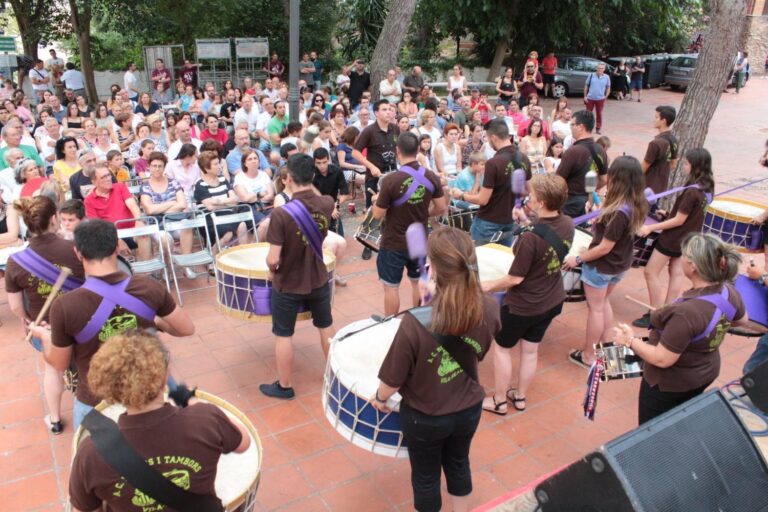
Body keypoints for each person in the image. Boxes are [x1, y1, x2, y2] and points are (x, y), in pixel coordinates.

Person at [372, 227, 501, 512]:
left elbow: (391, 381)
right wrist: (433, 302)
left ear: (433, 269)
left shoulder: (415, 322)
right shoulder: (490, 306)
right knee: (458, 465)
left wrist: (379, 399)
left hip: (426, 416)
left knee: (426, 477)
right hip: (469, 408)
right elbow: (476, 350)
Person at [29, 219, 194, 429]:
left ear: (78, 253)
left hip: (96, 404)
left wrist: (43, 336)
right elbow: (186, 328)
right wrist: (156, 321)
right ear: (117, 247)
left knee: (92, 459)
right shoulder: (149, 287)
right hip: (147, 398)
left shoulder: (64, 306)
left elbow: (59, 364)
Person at [67, 330, 250, 511]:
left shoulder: (90, 454)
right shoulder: (206, 418)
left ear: (110, 390)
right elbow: (243, 442)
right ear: (164, 376)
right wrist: (190, 400)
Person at [614, 233, 747, 424]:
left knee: (652, 429)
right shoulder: (727, 290)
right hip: (705, 371)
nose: (682, 258)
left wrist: (629, 340)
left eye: (685, 255)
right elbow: (742, 320)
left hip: (672, 383)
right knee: (679, 419)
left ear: (693, 266)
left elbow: (662, 359)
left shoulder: (687, 313)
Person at [481, 174, 573, 414]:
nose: (528, 199)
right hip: (551, 299)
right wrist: (526, 222)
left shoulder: (529, 238)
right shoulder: (567, 223)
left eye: (532, 196)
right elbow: (545, 240)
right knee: (530, 350)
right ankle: (520, 397)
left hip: (523, 305)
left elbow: (515, 278)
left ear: (541, 202)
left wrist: (488, 285)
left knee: (502, 348)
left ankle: (500, 400)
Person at [5, 196, 86, 434]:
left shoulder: (16, 261)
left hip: (46, 329)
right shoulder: (76, 249)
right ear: (54, 219)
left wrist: (28, 320)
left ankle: (55, 419)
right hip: (82, 322)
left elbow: (16, 306)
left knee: (53, 371)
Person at [260, 154, 335, 399]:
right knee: (326, 328)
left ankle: (285, 386)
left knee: (284, 334)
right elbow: (313, 195)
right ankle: (336, 377)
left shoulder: (281, 214)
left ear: (288, 179)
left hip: (289, 283)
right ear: (313, 177)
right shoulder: (326, 203)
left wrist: (271, 271)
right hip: (318, 278)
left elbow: (273, 259)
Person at [562, 156, 648, 368]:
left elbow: (604, 247)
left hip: (603, 265)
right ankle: (604, 347)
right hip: (620, 263)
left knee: (596, 308)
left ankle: (588, 355)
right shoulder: (635, 203)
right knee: (603, 304)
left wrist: (578, 258)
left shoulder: (619, 212)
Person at [633, 148, 715, 328]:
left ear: (695, 166)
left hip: (672, 239)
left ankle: (655, 312)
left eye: (686, 163)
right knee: (675, 273)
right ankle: (668, 312)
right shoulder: (707, 188)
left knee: (650, 272)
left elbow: (680, 220)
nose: (684, 166)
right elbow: (690, 215)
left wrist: (650, 227)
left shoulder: (692, 191)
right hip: (688, 239)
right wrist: (668, 214)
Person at [372, 132, 446, 316]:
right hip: (419, 240)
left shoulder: (390, 180)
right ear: (418, 149)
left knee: (391, 287)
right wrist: (423, 213)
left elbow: (377, 214)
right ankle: (418, 321)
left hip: (393, 243)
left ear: (398, 151)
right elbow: (441, 207)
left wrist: (376, 200)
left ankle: (389, 325)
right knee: (418, 282)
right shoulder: (430, 176)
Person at [456, 119, 531, 247]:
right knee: (502, 259)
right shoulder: (523, 158)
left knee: (480, 260)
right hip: (509, 219)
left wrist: (461, 195)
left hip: (488, 221)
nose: (488, 142)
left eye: (488, 138)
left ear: (494, 137)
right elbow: (527, 190)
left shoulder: (493, 163)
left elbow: (483, 200)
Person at [351, 100, 400, 260]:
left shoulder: (395, 128)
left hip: (392, 175)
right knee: (372, 209)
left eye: (390, 109)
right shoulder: (369, 131)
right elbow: (355, 152)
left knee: (392, 209)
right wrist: (370, 166)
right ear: (376, 113)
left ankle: (388, 242)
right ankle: (367, 244)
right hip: (374, 177)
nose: (389, 112)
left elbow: (398, 150)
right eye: (384, 109)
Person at [84, 162, 151, 261]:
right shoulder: (89, 200)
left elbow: (133, 205)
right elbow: (97, 227)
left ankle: (146, 271)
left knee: (143, 234)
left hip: (131, 229)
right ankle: (122, 272)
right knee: (103, 243)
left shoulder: (120, 187)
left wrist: (138, 220)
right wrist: (116, 240)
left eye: (108, 175)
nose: (108, 179)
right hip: (109, 236)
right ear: (94, 182)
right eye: (103, 177)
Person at [556, 110, 607, 217]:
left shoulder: (573, 151)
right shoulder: (600, 150)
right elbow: (603, 179)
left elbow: (558, 181)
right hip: (588, 200)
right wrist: (589, 190)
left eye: (572, 124)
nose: (571, 128)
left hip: (570, 201)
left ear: (580, 127)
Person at [642, 105, 678, 195]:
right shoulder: (674, 140)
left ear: (663, 121)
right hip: (661, 188)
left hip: (647, 188)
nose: (654, 120)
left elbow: (643, 168)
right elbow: (673, 165)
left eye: (656, 117)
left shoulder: (655, 143)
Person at [584, 63, 611, 134]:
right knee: (588, 114)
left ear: (604, 69)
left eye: (602, 68)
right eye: (599, 68)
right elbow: (586, 86)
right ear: (596, 68)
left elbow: (608, 87)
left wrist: (605, 97)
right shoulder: (591, 75)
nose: (600, 69)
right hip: (590, 98)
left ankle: (598, 128)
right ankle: (587, 128)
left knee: (599, 114)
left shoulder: (607, 77)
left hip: (600, 99)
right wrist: (585, 96)